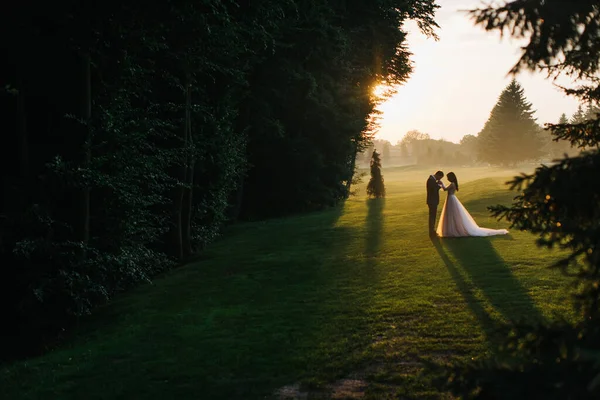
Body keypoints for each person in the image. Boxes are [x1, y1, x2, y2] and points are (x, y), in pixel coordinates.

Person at [436, 172, 509, 237]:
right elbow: (446, 189)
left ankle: (452, 230)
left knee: (452, 214)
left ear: (451, 178)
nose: (447, 178)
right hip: (451, 199)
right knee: (451, 214)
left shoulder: (452, 184)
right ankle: (451, 229)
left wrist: (441, 183)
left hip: (451, 199)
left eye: (448, 177)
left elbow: (445, 189)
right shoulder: (453, 184)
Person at [426, 170, 445, 237]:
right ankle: (431, 232)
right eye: (440, 178)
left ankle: (432, 231)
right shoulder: (431, 180)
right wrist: (440, 184)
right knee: (432, 216)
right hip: (432, 201)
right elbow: (434, 189)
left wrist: (437, 183)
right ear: (438, 175)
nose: (439, 179)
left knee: (433, 216)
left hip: (432, 201)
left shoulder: (432, 180)